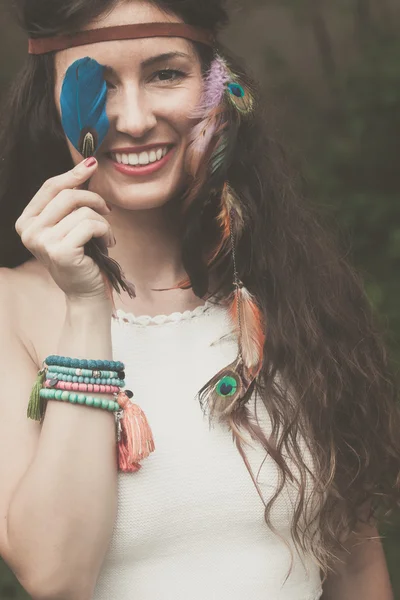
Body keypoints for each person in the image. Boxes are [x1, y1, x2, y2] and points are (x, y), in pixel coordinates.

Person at [0, 0, 399, 599]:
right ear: (47, 107)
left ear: (221, 90)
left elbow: (357, 569)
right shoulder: (11, 310)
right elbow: (56, 576)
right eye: (97, 82)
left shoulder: (296, 290)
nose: (133, 120)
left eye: (165, 73)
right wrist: (85, 308)